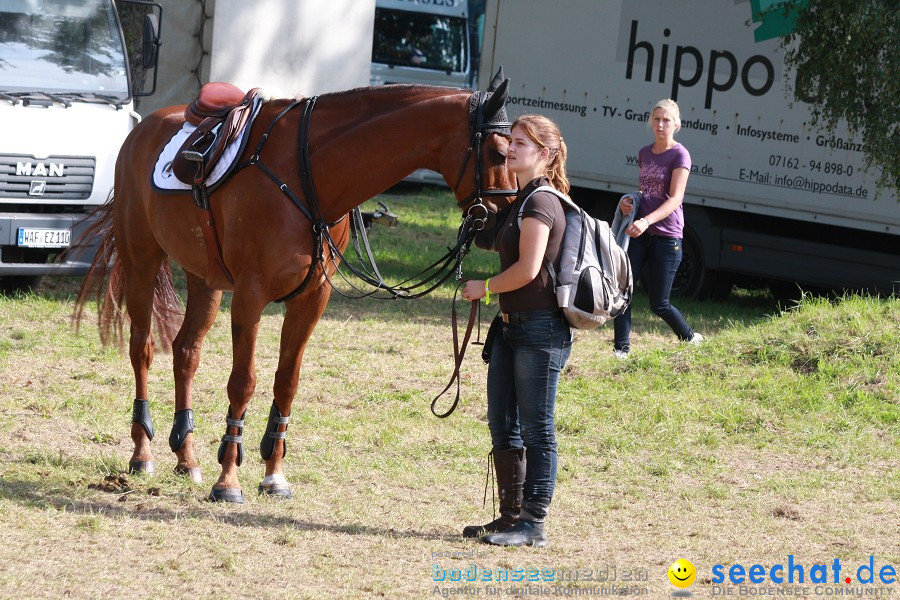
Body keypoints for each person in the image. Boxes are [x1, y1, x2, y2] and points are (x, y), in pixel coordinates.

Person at [459, 114, 573, 547]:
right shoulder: (521, 200)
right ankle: (510, 517)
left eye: (521, 143)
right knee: (503, 424)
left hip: (540, 331)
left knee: (537, 428)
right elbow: (497, 242)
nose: (511, 149)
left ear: (544, 155)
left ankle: (533, 523)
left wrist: (483, 287)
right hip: (511, 329)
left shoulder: (543, 202)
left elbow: (527, 269)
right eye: (512, 141)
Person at [613, 99, 703, 358]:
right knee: (623, 292)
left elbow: (675, 199)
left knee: (659, 304)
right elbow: (647, 191)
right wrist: (630, 205)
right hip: (640, 233)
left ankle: (689, 337)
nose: (661, 124)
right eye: (657, 119)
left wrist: (646, 220)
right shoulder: (644, 153)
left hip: (666, 235)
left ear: (677, 124)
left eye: (666, 120)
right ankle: (622, 349)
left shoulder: (680, 155)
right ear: (650, 122)